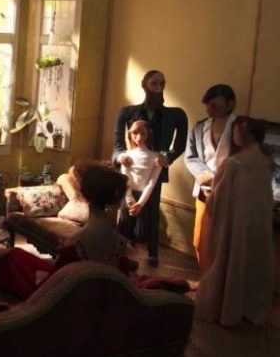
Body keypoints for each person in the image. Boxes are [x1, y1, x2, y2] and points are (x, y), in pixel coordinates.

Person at [0, 162, 134, 301]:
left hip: (69, 300)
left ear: (83, 194)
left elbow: (53, 286)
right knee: (18, 256)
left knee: (10, 257)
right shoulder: (120, 242)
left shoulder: (77, 243)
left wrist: (42, 276)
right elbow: (123, 282)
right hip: (100, 299)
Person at [195, 117, 275, 326]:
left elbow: (217, 200)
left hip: (234, 223)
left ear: (245, 135)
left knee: (229, 260)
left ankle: (226, 308)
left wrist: (210, 199)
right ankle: (248, 309)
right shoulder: (265, 162)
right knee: (251, 262)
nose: (234, 136)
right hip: (258, 223)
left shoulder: (233, 164)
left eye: (236, 132)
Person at [112, 70, 188, 266]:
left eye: (162, 83)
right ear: (145, 84)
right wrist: (120, 156)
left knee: (151, 210)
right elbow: (117, 144)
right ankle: (120, 248)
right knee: (126, 208)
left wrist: (166, 157)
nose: (159, 87)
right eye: (154, 83)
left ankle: (152, 252)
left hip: (155, 167)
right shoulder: (127, 112)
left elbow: (179, 145)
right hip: (131, 167)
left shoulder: (176, 115)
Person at [184, 84, 237, 263]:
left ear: (230, 104)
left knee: (223, 241)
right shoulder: (199, 128)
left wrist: (221, 178)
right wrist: (204, 174)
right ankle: (204, 275)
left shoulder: (239, 127)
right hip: (205, 190)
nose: (209, 109)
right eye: (207, 105)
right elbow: (190, 156)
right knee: (200, 239)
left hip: (230, 192)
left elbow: (245, 158)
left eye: (215, 106)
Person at [117, 120, 162, 250]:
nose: (139, 137)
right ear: (130, 134)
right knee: (124, 231)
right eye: (135, 133)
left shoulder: (156, 157)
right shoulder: (126, 156)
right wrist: (130, 200)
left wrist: (140, 204)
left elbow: (151, 183)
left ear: (148, 135)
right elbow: (125, 178)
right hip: (128, 196)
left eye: (143, 133)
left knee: (139, 235)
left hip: (144, 198)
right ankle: (120, 256)